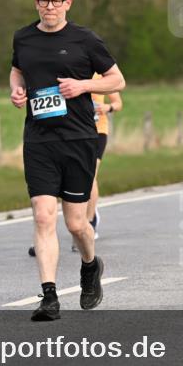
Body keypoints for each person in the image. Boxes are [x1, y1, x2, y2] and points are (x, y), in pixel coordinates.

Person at [11, 0, 125, 321]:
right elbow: (17, 71)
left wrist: (83, 85)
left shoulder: (85, 39)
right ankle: (49, 297)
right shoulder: (23, 38)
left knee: (76, 224)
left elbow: (117, 80)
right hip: (39, 139)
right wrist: (16, 91)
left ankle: (91, 266)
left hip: (78, 138)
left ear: (68, 3)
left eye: (56, 1)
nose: (49, 7)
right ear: (36, 3)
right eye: (44, 1)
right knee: (44, 216)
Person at [70, 74, 123, 252]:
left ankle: (90, 222)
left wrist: (107, 107)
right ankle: (80, 222)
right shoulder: (70, 70)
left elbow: (118, 102)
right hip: (76, 131)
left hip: (98, 130)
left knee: (90, 174)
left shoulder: (101, 73)